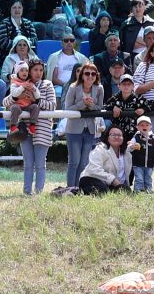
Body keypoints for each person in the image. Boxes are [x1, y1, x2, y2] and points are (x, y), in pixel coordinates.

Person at [61, 61, 105, 189]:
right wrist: (82, 103)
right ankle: (70, 188)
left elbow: (100, 108)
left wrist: (91, 105)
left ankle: (80, 188)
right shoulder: (73, 87)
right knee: (74, 162)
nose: (90, 76)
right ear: (82, 75)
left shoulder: (99, 88)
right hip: (74, 129)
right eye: (87, 73)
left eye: (93, 73)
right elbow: (67, 108)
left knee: (84, 162)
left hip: (91, 130)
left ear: (96, 75)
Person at [18, 63, 56, 196]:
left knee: (40, 164)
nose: (38, 73)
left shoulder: (47, 85)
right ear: (29, 71)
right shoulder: (21, 84)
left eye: (41, 70)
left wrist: (36, 100)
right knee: (28, 163)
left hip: (43, 129)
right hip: (25, 129)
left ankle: (38, 192)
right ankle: (27, 192)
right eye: (35, 70)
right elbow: (9, 101)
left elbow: (52, 106)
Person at [75, 124, 130, 195]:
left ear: (123, 138)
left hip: (109, 183)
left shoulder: (126, 154)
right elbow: (93, 169)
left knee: (126, 191)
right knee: (103, 191)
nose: (117, 137)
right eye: (113, 135)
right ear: (107, 137)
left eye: (119, 135)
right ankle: (73, 192)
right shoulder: (99, 149)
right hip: (90, 178)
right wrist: (113, 180)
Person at [105, 73, 149, 142]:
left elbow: (152, 104)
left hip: (134, 136)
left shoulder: (138, 99)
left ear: (133, 86)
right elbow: (105, 106)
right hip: (118, 134)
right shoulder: (114, 99)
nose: (126, 86)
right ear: (119, 86)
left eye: (129, 84)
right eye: (124, 84)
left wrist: (143, 109)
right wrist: (113, 107)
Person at [127, 117, 154, 192]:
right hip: (138, 163)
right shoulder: (136, 137)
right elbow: (128, 148)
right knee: (139, 178)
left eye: (147, 125)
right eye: (142, 125)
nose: (144, 127)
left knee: (148, 179)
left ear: (150, 126)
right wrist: (132, 146)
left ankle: (148, 191)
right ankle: (137, 191)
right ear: (137, 127)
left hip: (149, 163)